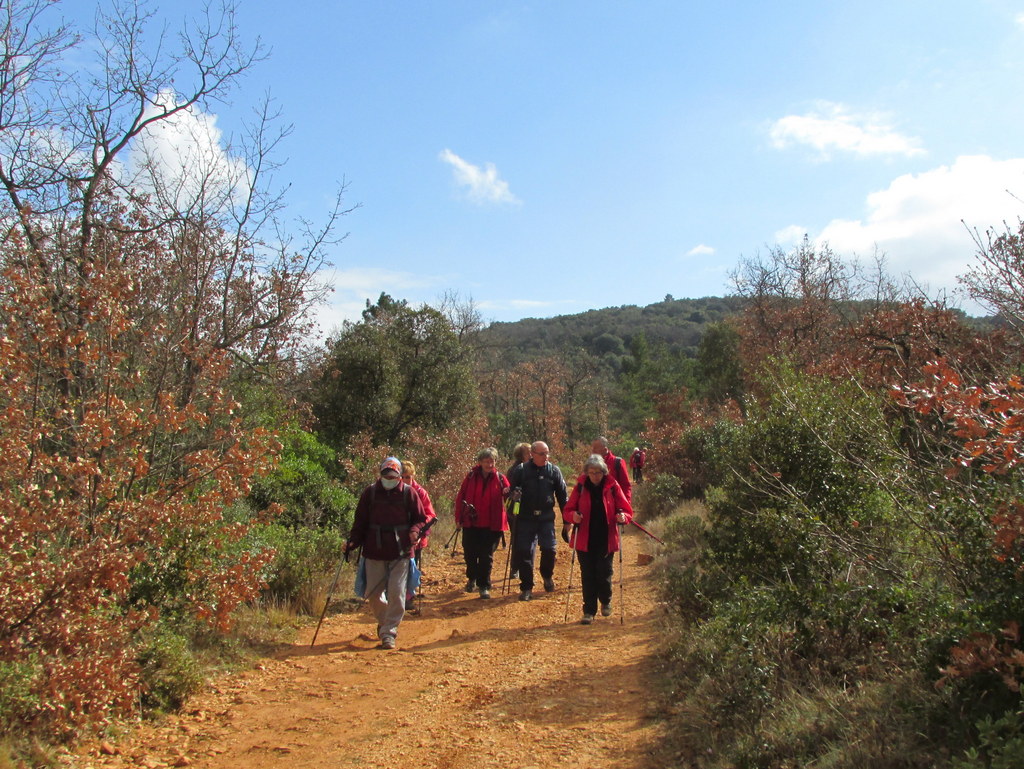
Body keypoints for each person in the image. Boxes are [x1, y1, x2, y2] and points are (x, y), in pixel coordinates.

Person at [345, 457, 427, 650]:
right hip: (374, 550)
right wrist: (352, 542)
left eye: (393, 475)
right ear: (380, 474)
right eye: (386, 475)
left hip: (401, 551)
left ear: (399, 476)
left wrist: (415, 532)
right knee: (372, 594)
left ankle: (389, 632)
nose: (390, 478)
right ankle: (384, 621)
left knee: (397, 593)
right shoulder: (370, 493)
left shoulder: (409, 493)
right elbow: (360, 523)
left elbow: (420, 519)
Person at [563, 454, 633, 624]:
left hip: (606, 537)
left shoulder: (612, 486)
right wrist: (573, 516)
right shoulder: (580, 486)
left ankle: (606, 600)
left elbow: (626, 510)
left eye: (598, 472)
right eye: (592, 472)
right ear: (586, 472)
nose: (595, 475)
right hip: (584, 538)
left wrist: (623, 516)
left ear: (604, 472)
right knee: (587, 575)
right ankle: (589, 611)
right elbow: (567, 510)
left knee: (604, 572)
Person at [508, 441, 568, 601]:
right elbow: (510, 494)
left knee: (550, 550)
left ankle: (547, 575)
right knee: (524, 552)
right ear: (532, 454)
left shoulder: (554, 471)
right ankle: (526, 587)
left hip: (546, 518)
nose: (545, 457)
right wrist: (514, 497)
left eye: (547, 453)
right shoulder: (521, 471)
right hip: (525, 518)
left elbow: (562, 495)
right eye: (542, 454)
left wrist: (567, 519)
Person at [454, 447, 510, 599]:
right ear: (480, 462)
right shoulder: (471, 476)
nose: (490, 464)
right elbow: (461, 497)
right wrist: (458, 518)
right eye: (486, 461)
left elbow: (509, 499)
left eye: (492, 461)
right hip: (471, 522)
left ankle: (484, 585)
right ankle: (472, 578)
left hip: (492, 524)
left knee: (486, 556)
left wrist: (511, 496)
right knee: (470, 554)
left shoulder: (500, 478)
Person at [401, 460, 437, 569]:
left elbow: (430, 514)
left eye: (408, 477)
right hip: (398, 536)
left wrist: (418, 529)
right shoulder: (393, 491)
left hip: (416, 538)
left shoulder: (421, 492)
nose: (405, 480)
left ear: (413, 476)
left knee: (411, 569)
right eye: (402, 477)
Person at [505, 442, 532, 582]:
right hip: (515, 510)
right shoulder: (514, 470)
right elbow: (509, 491)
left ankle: (526, 568)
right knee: (517, 539)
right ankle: (515, 568)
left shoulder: (535, 468)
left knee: (529, 540)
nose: (531, 454)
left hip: (530, 511)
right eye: (528, 452)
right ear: (521, 456)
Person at [591, 436, 632, 503]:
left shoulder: (617, 462)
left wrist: (625, 506)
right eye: (592, 448)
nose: (592, 451)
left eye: (595, 448)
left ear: (605, 449)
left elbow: (626, 486)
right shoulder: (591, 464)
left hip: (614, 505)